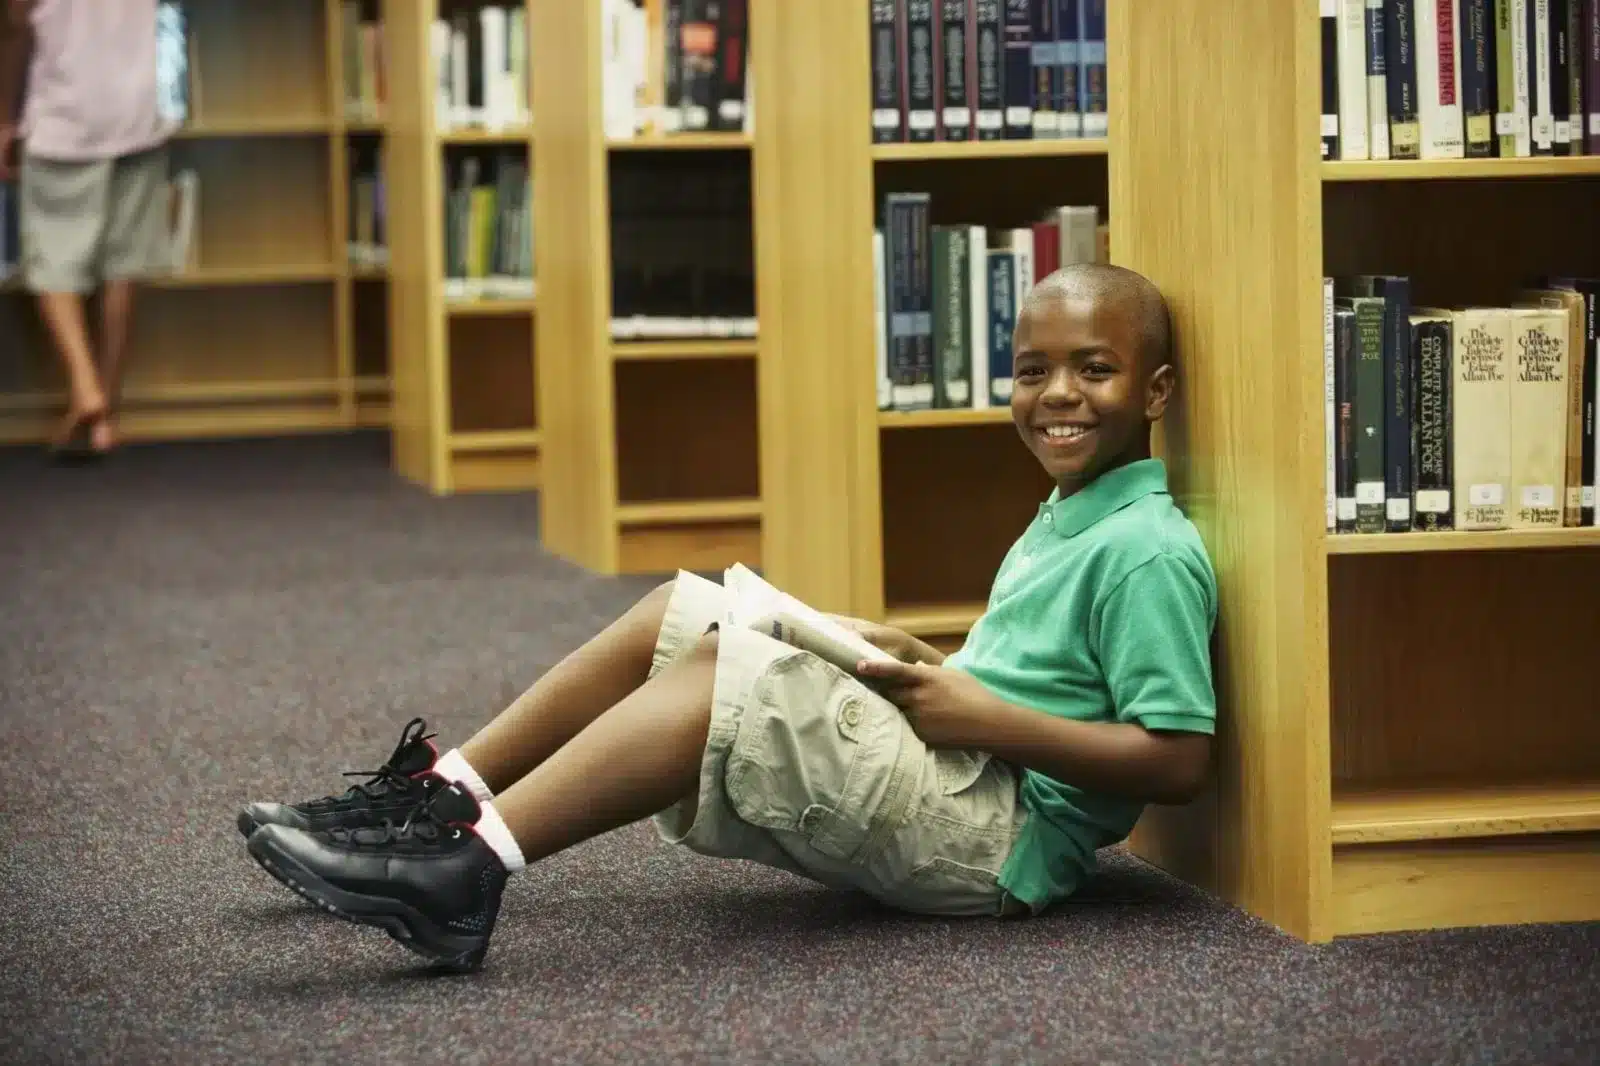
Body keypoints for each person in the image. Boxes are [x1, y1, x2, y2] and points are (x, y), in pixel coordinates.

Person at [238, 262, 1220, 973]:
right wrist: (927, 658)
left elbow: (1176, 763)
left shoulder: (1147, 548)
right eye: (1031, 370)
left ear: (1155, 390)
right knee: (688, 608)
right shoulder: (1080, 508)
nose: (1056, 395)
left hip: (994, 836)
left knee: (727, 672)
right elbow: (1044, 668)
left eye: (1092, 369)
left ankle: (464, 874)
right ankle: (440, 797)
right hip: (965, 757)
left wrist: (980, 718)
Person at [0, 0, 176, 456]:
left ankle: (85, 387)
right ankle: (106, 416)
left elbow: (18, 32)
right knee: (123, 265)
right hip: (139, 110)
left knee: (52, 262)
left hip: (66, 115)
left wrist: (5, 120)